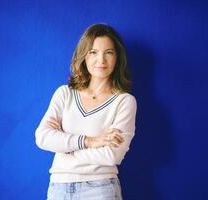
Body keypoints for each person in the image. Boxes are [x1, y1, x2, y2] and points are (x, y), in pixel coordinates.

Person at [35, 23, 137, 200]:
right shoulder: (64, 93)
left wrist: (64, 149)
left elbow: (111, 156)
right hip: (59, 188)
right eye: (93, 52)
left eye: (109, 53)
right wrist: (90, 141)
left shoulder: (124, 102)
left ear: (117, 58)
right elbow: (43, 137)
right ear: (83, 56)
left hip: (101, 188)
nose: (101, 60)